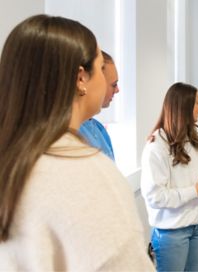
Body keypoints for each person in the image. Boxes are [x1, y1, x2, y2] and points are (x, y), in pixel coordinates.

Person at [0, 15, 154, 270]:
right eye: (100, 68)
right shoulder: (86, 171)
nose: (109, 85)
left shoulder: (13, 158)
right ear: (81, 78)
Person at [141, 82, 198, 272]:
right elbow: (155, 197)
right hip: (172, 233)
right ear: (183, 107)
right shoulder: (156, 146)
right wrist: (196, 190)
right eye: (197, 103)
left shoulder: (195, 139)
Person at [79, 50, 119, 160]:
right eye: (113, 84)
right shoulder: (68, 134)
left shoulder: (99, 129)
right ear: (82, 79)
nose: (117, 90)